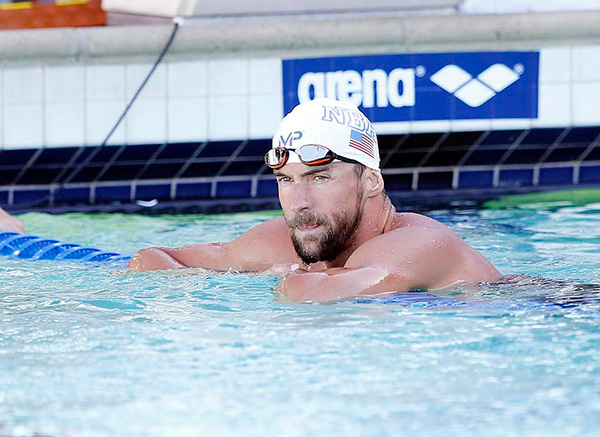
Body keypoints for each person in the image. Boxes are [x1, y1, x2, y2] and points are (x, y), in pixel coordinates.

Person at [128, 98, 501, 302]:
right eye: (286, 180)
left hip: (537, 306)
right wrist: (187, 293)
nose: (299, 201)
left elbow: (311, 293)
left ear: (370, 180)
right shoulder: (292, 240)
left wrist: (297, 276)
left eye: (319, 177)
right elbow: (151, 259)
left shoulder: (420, 244)